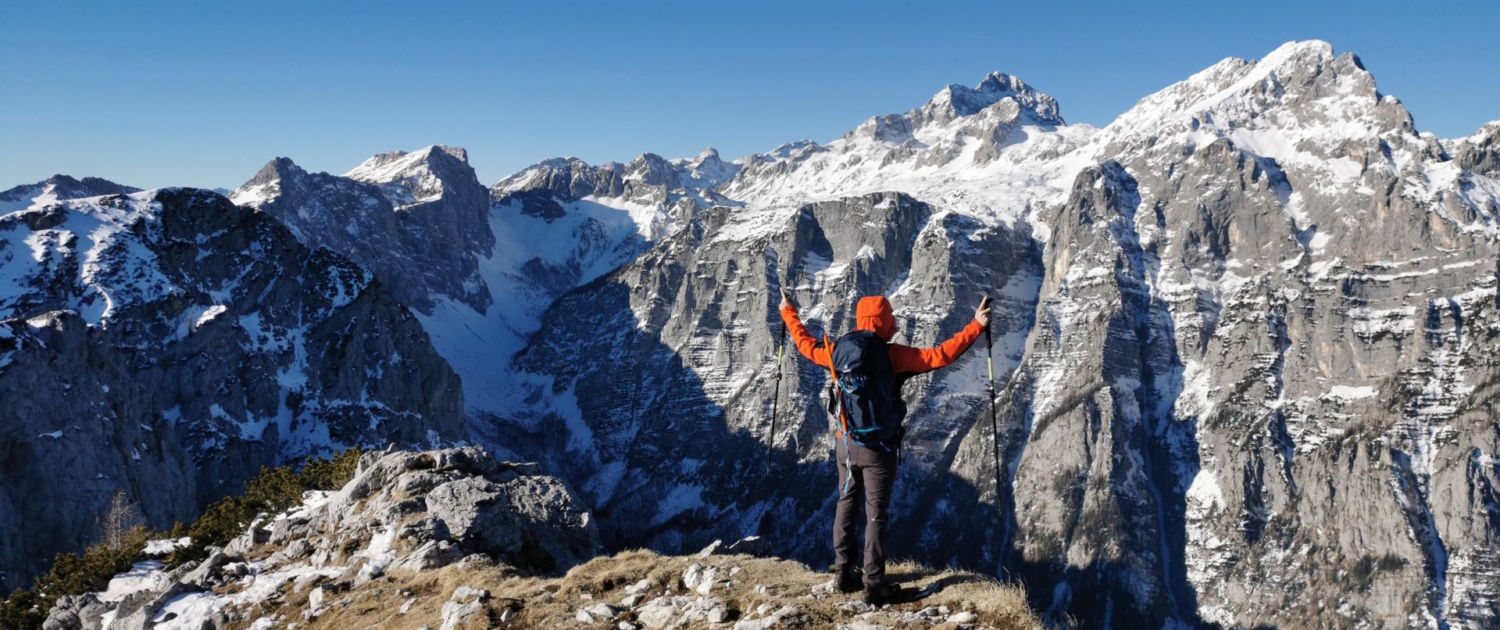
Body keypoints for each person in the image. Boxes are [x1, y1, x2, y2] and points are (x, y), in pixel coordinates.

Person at [778, 288, 992, 606]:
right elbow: (941, 355)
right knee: (876, 514)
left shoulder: (835, 350)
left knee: (846, 503)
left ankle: (842, 571)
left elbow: (805, 343)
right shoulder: (893, 356)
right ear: (884, 322)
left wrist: (787, 311)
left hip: (846, 446)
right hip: (880, 450)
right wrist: (976, 325)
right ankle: (874, 583)